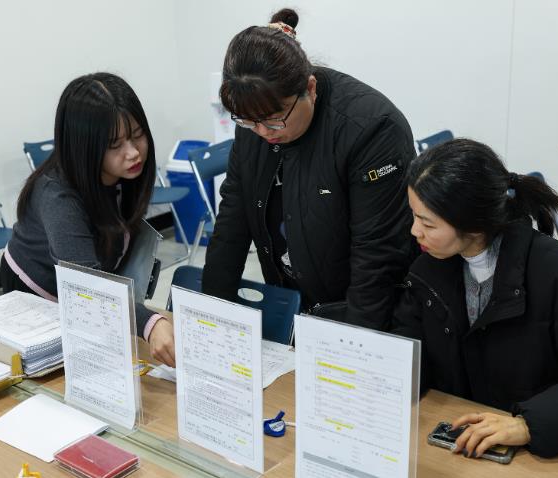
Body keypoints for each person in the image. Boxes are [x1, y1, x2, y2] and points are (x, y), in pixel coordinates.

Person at [147, 8, 416, 359]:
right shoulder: (257, 119)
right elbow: (232, 224)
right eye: (248, 122)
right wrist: (210, 322)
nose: (263, 132)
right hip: (293, 301)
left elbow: (376, 260)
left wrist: (351, 355)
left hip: (363, 314)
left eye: (274, 121)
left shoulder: (371, 129)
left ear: (310, 89)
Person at [390, 138, 558, 458]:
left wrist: (528, 424)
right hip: (467, 447)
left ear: (473, 225)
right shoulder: (428, 271)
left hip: (552, 451)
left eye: (427, 223)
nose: (414, 231)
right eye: (413, 215)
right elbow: (408, 353)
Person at [1, 72, 172, 361]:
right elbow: (87, 284)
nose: (133, 153)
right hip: (37, 292)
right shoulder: (57, 195)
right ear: (84, 146)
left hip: (90, 281)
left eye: (137, 135)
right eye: (114, 145)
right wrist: (149, 323)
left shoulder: (125, 174)